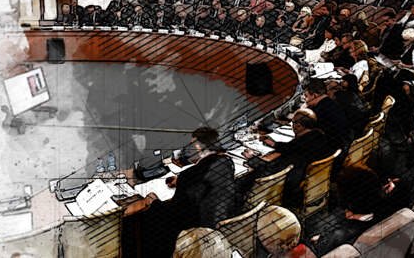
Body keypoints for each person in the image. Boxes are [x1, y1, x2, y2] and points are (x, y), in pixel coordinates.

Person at [126, 127, 236, 258]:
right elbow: (206, 181)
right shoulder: (227, 161)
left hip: (196, 232)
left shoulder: (188, 175)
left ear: (197, 147)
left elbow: (174, 212)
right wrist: (183, 181)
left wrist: (153, 201)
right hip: (218, 222)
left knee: (138, 220)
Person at [243, 109, 332, 208]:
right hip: (312, 184)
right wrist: (273, 144)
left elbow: (272, 169)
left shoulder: (298, 148)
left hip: (290, 187)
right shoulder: (319, 136)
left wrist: (252, 158)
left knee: (247, 178)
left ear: (299, 126)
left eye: (293, 123)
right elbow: (290, 147)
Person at [304, 78, 353, 154]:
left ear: (314, 95)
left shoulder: (318, 111)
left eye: (306, 96)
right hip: (342, 146)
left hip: (330, 151)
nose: (305, 100)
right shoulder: (332, 103)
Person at [333, 74, 369, 139]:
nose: (341, 81)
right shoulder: (355, 91)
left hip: (352, 125)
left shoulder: (347, 95)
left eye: (344, 80)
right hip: (360, 120)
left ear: (348, 83)